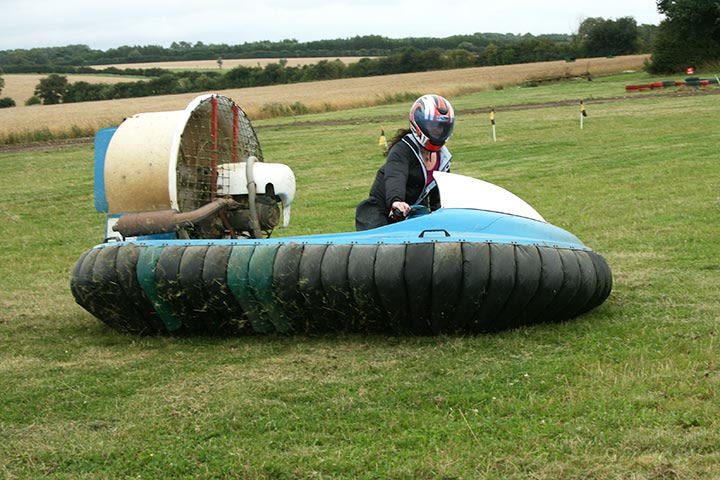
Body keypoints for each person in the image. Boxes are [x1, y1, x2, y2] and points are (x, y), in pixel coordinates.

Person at [355, 94, 455, 231]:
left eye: (442, 127)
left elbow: (438, 196)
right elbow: (396, 176)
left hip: (413, 212)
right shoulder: (403, 150)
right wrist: (396, 201)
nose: (438, 131)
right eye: (433, 126)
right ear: (419, 124)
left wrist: (441, 215)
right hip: (381, 211)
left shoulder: (443, 158)